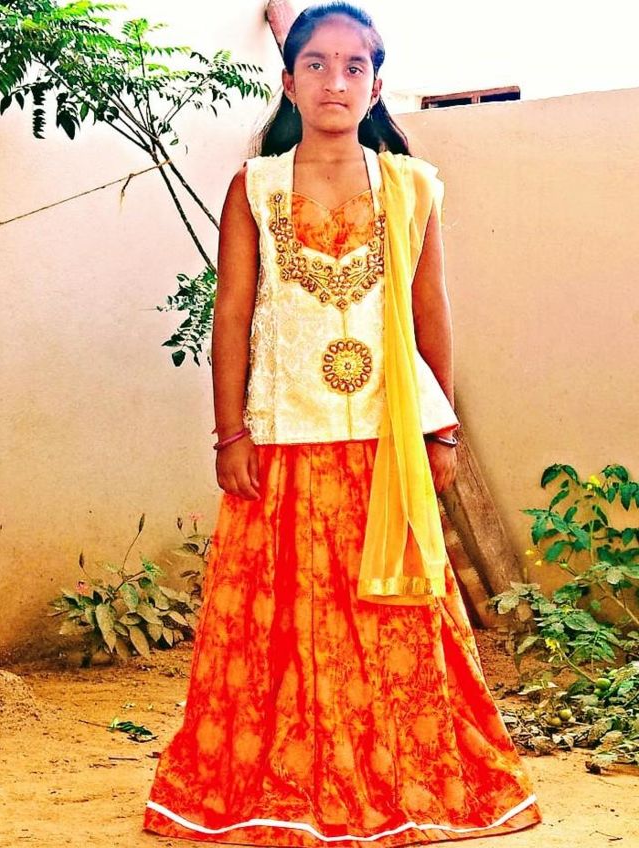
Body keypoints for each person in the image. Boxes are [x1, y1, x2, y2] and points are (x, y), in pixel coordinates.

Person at [142, 2, 543, 845]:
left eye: (353, 66)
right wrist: (229, 433)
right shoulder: (254, 187)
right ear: (289, 83)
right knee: (280, 624)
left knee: (395, 618)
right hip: (281, 443)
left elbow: (431, 314)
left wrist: (442, 432)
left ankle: (400, 777)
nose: (335, 80)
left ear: (376, 85)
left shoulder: (412, 186)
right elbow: (232, 314)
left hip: (384, 447)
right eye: (316, 65)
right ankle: (284, 784)